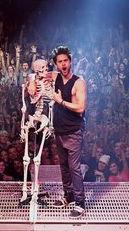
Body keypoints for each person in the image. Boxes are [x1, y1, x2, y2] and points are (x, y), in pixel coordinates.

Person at [38, 46, 87, 217]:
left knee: (74, 168)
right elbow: (36, 74)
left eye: (66, 60)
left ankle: (80, 202)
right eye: (60, 61)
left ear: (70, 62)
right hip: (59, 131)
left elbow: (81, 107)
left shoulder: (79, 82)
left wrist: (60, 101)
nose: (64, 64)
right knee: (64, 167)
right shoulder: (56, 76)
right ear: (56, 64)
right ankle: (69, 195)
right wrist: (31, 82)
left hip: (74, 132)